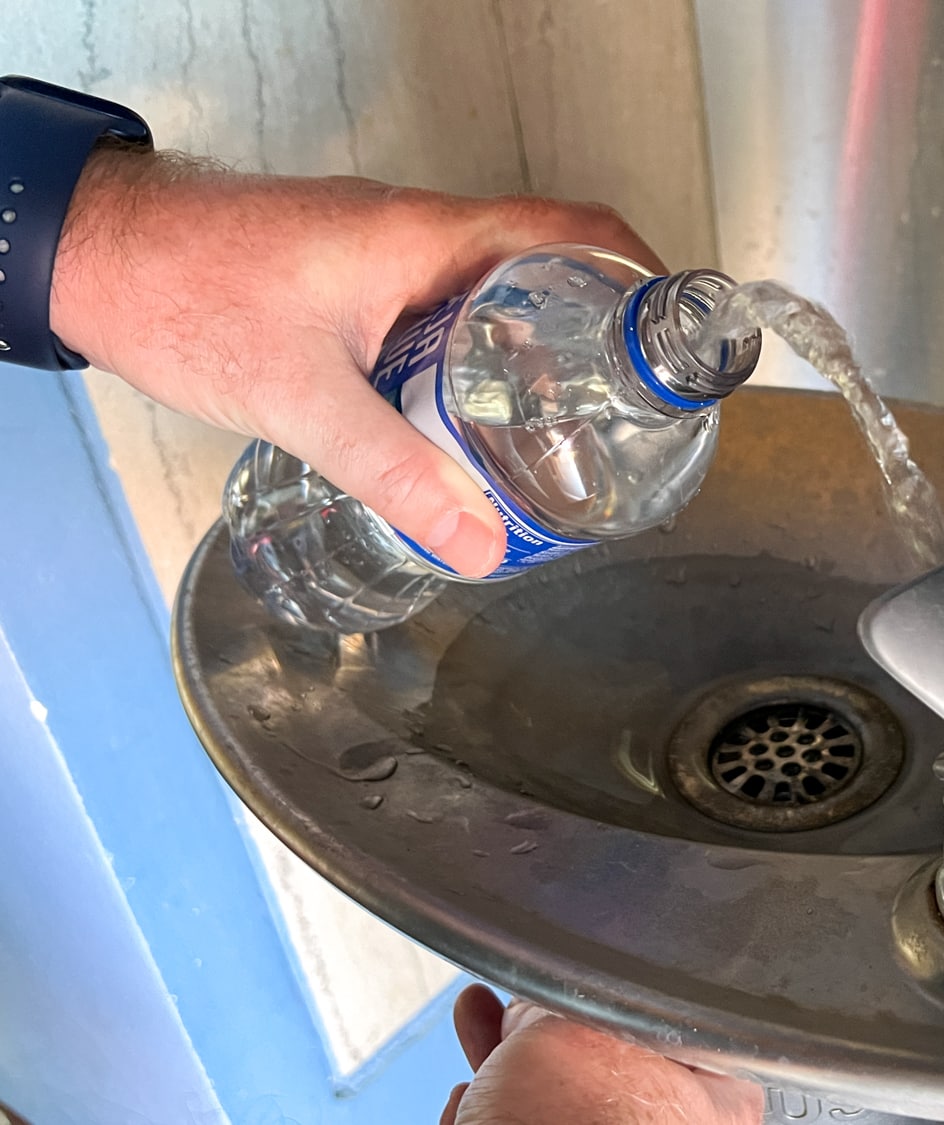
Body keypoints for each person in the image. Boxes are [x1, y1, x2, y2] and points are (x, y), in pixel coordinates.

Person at [4, 77, 763, 1124]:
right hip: (313, 537)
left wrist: (90, 226)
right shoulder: (554, 323)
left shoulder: (629, 438)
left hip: (325, 539)